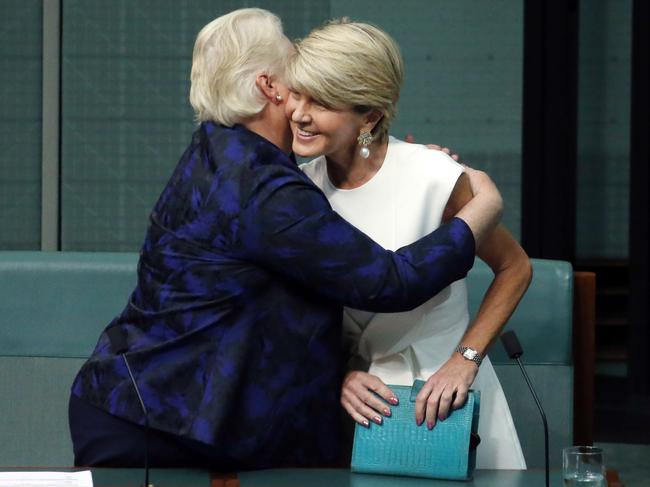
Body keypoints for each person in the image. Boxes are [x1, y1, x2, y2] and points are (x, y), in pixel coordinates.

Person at [68, 9, 504, 470]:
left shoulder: (220, 148)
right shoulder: (264, 187)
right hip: (158, 428)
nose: (303, 98)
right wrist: (482, 210)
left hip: (142, 410)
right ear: (270, 86)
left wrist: (417, 172)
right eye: (296, 72)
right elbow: (388, 283)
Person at [286, 19, 532, 469]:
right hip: (356, 400)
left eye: (320, 101)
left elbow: (515, 267)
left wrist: (466, 359)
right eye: (297, 94)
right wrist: (339, 376)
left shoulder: (434, 176)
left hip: (445, 393)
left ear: (371, 116)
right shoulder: (297, 189)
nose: (300, 113)